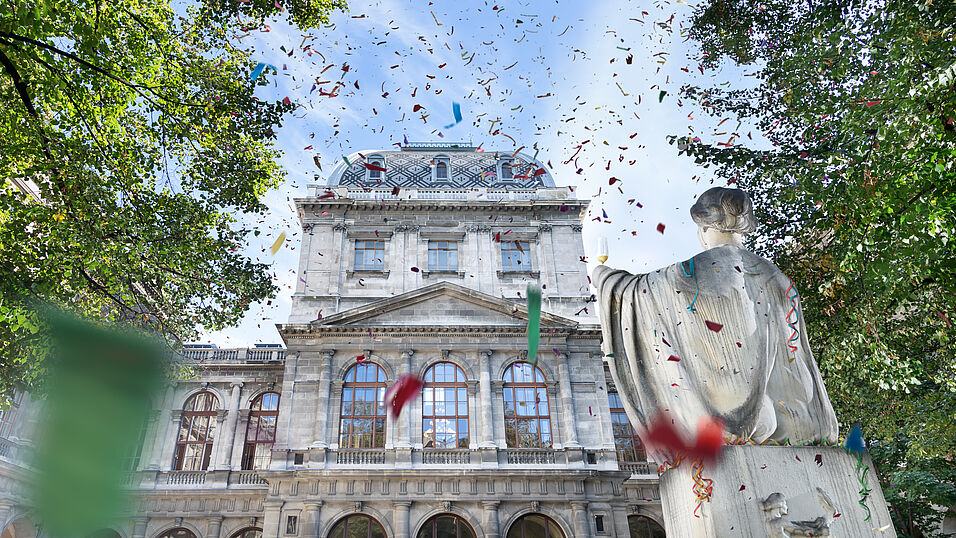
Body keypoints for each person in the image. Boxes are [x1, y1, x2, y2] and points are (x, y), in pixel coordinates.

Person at [592, 187, 838, 456]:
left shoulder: (696, 271)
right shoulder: (779, 278)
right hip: (790, 419)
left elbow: (638, 294)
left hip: (727, 415)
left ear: (704, 226)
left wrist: (605, 278)